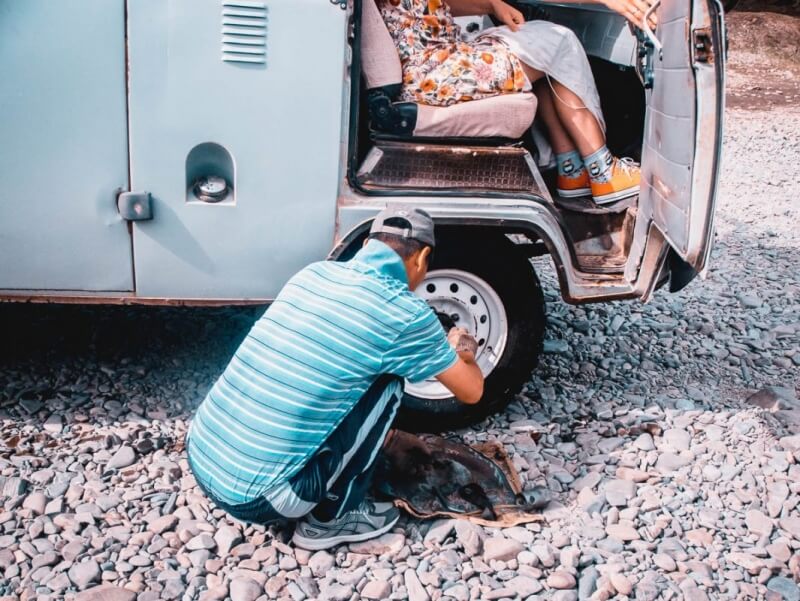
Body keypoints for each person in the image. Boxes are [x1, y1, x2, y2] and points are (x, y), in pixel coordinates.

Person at [186, 206, 484, 550]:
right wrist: (463, 352)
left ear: (368, 243)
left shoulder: (314, 274)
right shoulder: (406, 314)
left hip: (201, 452)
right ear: (422, 259)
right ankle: (333, 519)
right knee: (388, 385)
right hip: (258, 499)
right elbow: (472, 391)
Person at [379, 0, 653, 204]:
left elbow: (432, 6)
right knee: (559, 42)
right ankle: (603, 170)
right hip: (437, 74)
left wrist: (493, 5)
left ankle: (572, 169)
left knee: (539, 49)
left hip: (428, 70)